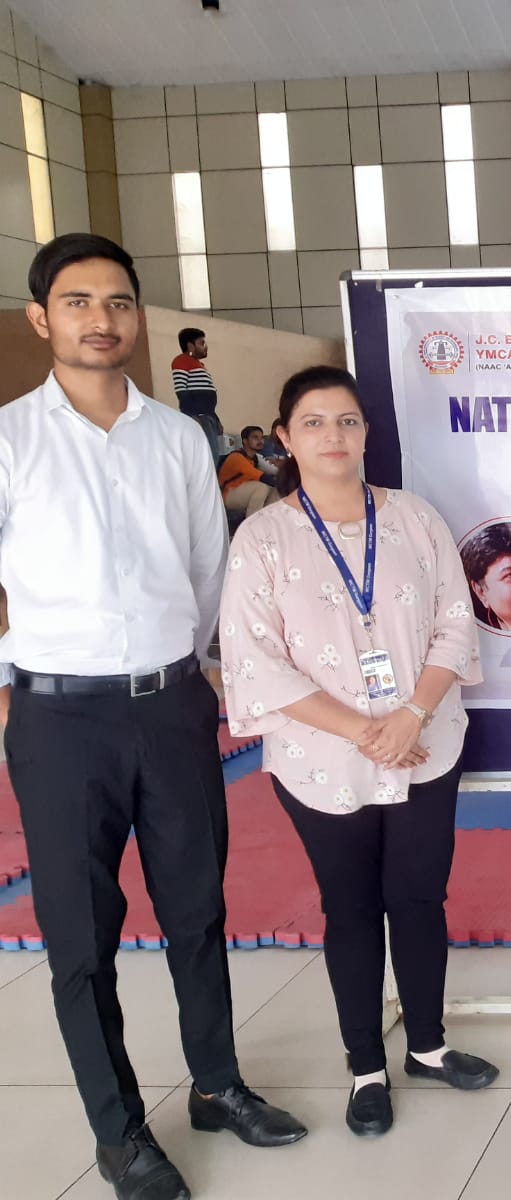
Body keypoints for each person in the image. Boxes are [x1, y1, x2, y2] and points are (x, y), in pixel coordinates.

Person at [0, 234, 306, 1200]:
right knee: (79, 938)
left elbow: (208, 570)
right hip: (57, 721)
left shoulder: (178, 439)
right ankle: (120, 1132)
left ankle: (217, 1085)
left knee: (197, 909)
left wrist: (200, 673)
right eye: (79, 302)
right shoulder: (9, 439)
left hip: (171, 706)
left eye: (119, 303)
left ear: (137, 318)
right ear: (41, 318)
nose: (102, 320)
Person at [220, 365, 498, 1140]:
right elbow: (255, 660)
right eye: (313, 422)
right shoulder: (263, 538)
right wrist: (363, 731)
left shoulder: (413, 518)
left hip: (424, 743)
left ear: (366, 431)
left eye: (346, 420)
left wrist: (410, 716)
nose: (332, 436)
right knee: (348, 909)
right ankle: (365, 1069)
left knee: (419, 898)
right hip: (321, 760)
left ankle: (429, 1047)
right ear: (285, 437)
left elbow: (455, 621)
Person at [171, 326, 223, 448]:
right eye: (201, 343)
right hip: (199, 417)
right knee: (208, 452)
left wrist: (216, 419)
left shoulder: (200, 364)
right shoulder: (181, 361)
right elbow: (181, 391)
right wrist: (191, 415)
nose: (205, 347)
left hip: (208, 415)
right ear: (190, 346)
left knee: (212, 451)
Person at [217, 425, 278, 518]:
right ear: (245, 441)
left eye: (262, 438)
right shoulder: (236, 457)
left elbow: (274, 471)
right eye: (255, 437)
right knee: (261, 487)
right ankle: (252, 524)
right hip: (227, 494)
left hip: (243, 491)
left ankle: (266, 520)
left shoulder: (256, 458)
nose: (260, 441)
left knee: (276, 490)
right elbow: (261, 477)